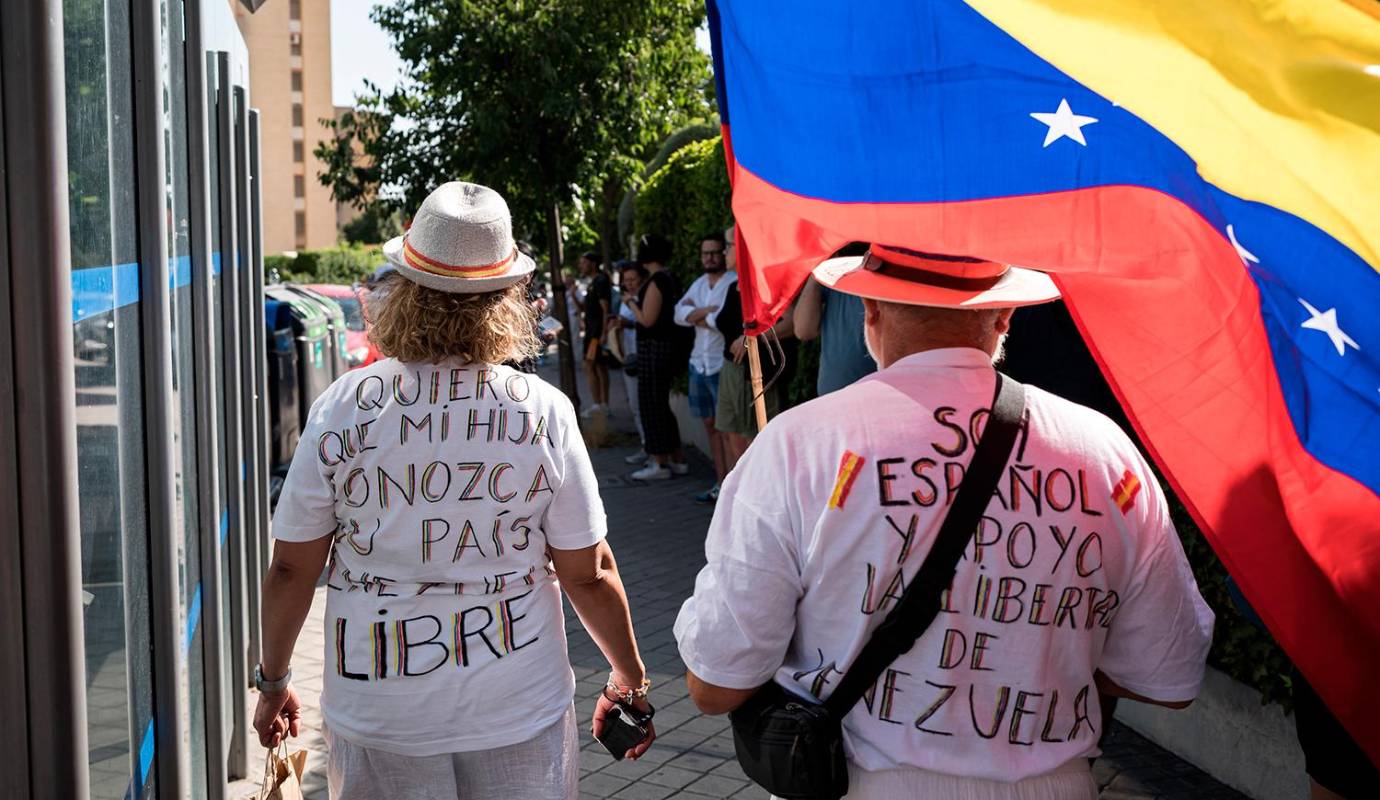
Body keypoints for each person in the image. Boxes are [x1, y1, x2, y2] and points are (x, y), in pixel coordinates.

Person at [675, 245, 1214, 799]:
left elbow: (717, 683)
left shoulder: (799, 444)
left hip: (860, 784)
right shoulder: (1105, 453)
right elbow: (1167, 673)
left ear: (871, 310)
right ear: (1004, 317)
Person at [255, 182, 655, 799]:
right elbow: (588, 572)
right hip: (516, 705)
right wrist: (627, 679)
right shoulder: (541, 411)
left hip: (379, 708)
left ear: (406, 288)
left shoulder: (341, 407)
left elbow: (290, 568)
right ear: (505, 299)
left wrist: (275, 679)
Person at [713, 225, 794, 480]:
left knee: (756, 443)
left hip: (757, 373)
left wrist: (752, 338)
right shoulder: (733, 286)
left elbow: (791, 323)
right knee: (730, 433)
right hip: (731, 371)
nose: (724, 251)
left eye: (729, 245)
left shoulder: (766, 283)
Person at [673, 233, 738, 502]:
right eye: (705, 253)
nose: (709, 257)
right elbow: (678, 314)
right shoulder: (699, 284)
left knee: (728, 430)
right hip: (697, 364)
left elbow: (723, 320)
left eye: (714, 252)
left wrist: (698, 314)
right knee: (711, 427)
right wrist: (706, 312)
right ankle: (720, 484)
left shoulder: (733, 282)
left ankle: (734, 488)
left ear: (724, 253)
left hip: (720, 364)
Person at [626, 233, 689, 480]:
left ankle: (659, 462)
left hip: (654, 350)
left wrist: (631, 303)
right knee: (661, 404)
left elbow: (648, 319)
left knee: (652, 404)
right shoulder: (671, 278)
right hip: (667, 349)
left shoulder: (657, 280)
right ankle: (676, 458)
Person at [793, 244, 877, 396]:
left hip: (874, 398)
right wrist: (818, 269)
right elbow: (803, 330)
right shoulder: (834, 273)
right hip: (832, 398)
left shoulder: (887, 271)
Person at [610, 260, 648, 465]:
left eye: (633, 279)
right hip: (628, 357)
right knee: (635, 405)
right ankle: (646, 446)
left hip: (642, 357)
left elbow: (646, 322)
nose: (630, 283)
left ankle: (651, 449)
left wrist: (628, 323)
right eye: (626, 280)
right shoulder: (625, 299)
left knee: (644, 405)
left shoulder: (643, 297)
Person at [578, 252, 612, 417]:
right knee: (599, 367)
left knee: (589, 365)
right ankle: (603, 404)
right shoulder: (595, 282)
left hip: (596, 333)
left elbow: (606, 309)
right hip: (594, 331)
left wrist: (604, 332)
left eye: (583, 263)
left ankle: (599, 404)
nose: (581, 266)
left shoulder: (600, 281)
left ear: (592, 263)